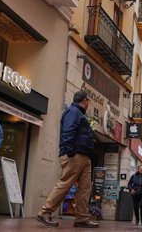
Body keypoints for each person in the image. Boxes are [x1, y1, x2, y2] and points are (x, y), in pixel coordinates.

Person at [37, 90, 98, 228]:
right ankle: (45, 212)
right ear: (84, 101)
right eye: (88, 100)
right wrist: (70, 152)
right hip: (75, 154)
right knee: (65, 184)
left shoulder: (79, 113)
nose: (88, 103)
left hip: (84, 156)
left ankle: (82, 217)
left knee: (85, 188)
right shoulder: (73, 112)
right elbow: (68, 131)